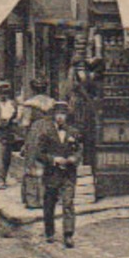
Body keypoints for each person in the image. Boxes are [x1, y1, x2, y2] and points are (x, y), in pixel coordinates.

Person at [30, 100, 82, 248]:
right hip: (52, 174)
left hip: (68, 174)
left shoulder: (73, 132)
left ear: (67, 116)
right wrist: (53, 159)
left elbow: (78, 150)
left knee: (68, 203)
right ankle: (49, 232)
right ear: (54, 115)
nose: (60, 117)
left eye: (63, 114)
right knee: (49, 204)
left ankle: (68, 235)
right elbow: (39, 153)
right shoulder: (46, 133)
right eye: (58, 114)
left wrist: (74, 158)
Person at [0, 81, 21, 188]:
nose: (3, 95)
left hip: (7, 133)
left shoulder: (12, 104)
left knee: (6, 156)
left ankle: (2, 177)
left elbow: (15, 117)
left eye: (5, 93)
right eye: (0, 93)